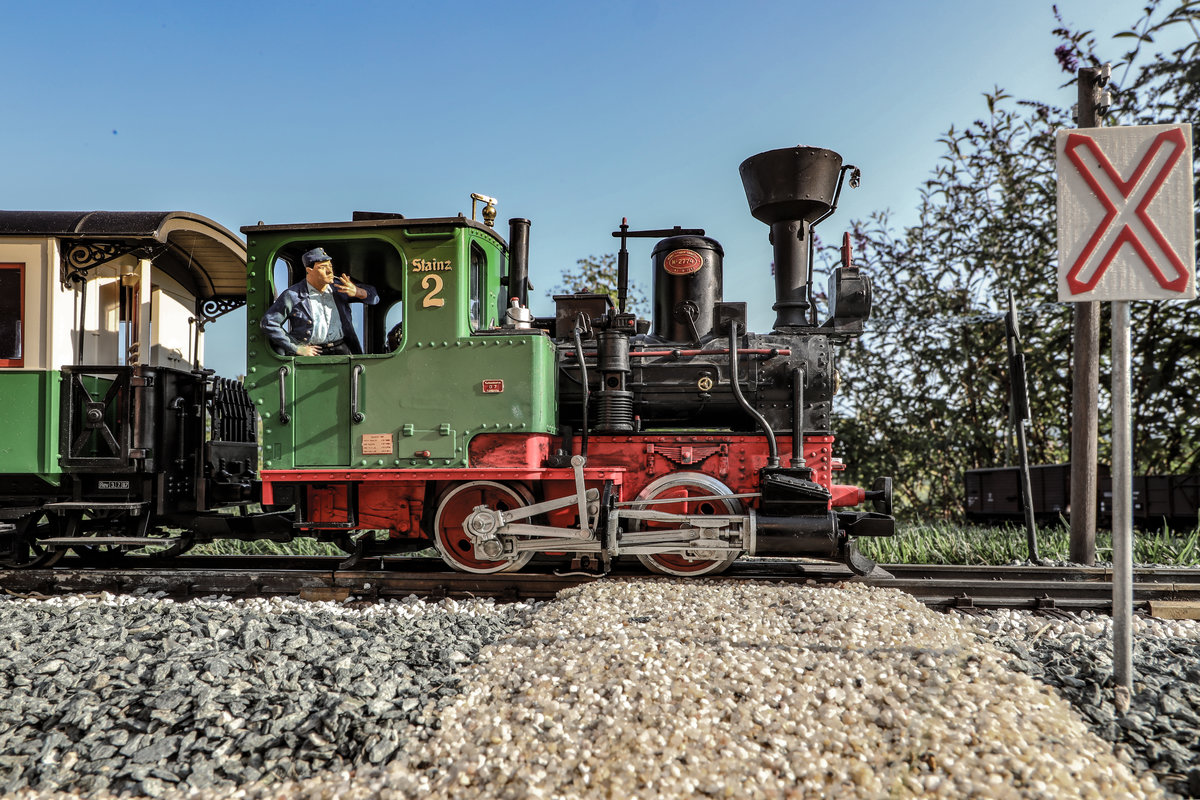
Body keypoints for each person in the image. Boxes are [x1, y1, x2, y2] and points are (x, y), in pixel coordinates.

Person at [261, 247, 379, 356]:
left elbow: (375, 297)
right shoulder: (292, 295)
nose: (329, 271)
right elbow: (269, 323)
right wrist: (296, 348)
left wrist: (358, 292)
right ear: (309, 270)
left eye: (330, 266)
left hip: (341, 350)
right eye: (322, 267)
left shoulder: (339, 288)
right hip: (312, 354)